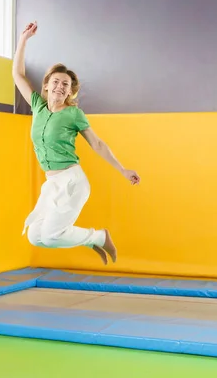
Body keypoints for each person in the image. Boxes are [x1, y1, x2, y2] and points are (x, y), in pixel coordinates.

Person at [14, 21, 140, 265]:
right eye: (57, 82)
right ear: (47, 85)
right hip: (52, 183)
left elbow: (98, 145)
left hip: (72, 182)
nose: (61, 87)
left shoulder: (74, 114)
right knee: (35, 236)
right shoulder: (38, 107)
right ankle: (94, 238)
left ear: (70, 92)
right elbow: (17, 75)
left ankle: (100, 237)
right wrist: (23, 40)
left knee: (50, 236)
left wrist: (123, 170)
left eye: (66, 85)